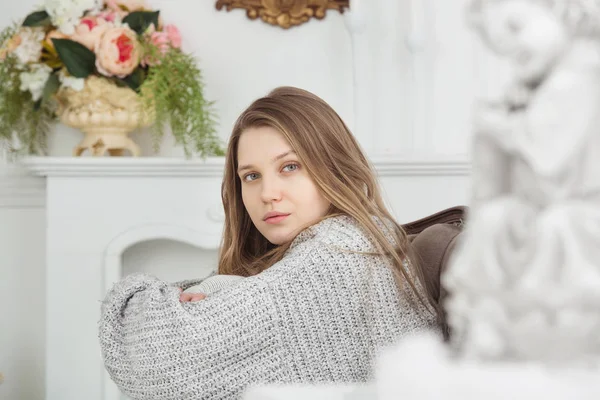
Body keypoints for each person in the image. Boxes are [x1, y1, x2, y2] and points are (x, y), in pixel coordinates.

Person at [99, 87, 442, 400]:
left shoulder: (338, 257)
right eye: (251, 176)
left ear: (334, 167)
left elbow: (153, 361)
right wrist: (220, 288)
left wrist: (134, 296)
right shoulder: (361, 241)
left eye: (290, 167)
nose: (267, 194)